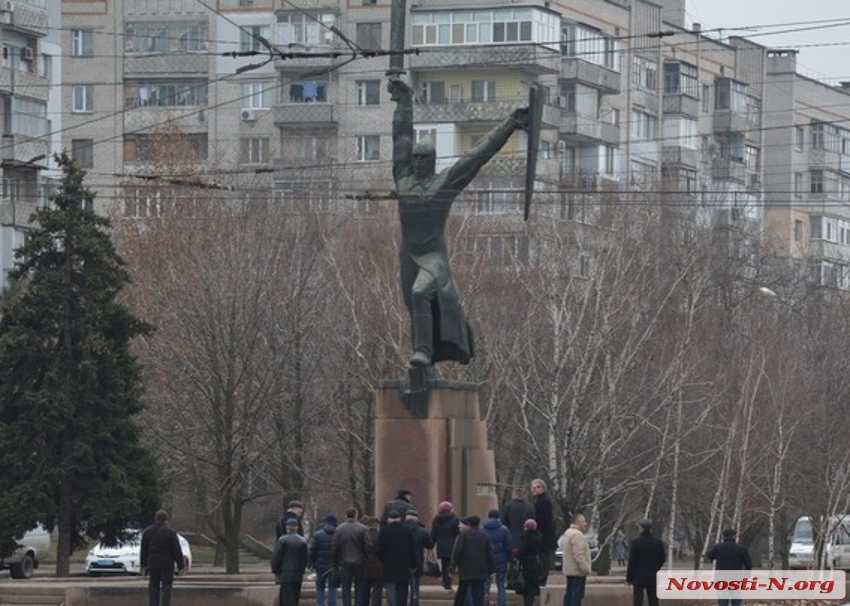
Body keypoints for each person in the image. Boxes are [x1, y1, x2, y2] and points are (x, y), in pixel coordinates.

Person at [387, 76, 529, 367]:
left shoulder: (444, 183)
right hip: (408, 258)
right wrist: (404, 101)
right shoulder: (402, 179)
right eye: (415, 158)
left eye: (424, 158)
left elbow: (477, 156)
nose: (418, 162)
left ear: (433, 159)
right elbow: (401, 137)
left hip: (433, 259)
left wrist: (510, 125)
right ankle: (423, 364)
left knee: (419, 293)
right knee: (415, 309)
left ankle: (423, 354)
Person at [140, 509, 185, 606]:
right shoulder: (171, 533)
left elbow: (143, 550)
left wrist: (143, 565)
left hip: (153, 562)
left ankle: (153, 604)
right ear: (166, 520)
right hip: (167, 563)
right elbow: (176, 550)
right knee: (167, 586)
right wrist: (181, 566)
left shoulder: (147, 532)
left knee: (153, 586)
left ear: (155, 518)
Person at [451, 516, 494, 606]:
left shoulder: (464, 535)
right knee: (478, 593)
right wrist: (491, 569)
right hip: (480, 569)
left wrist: (454, 565)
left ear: (469, 524)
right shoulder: (485, 536)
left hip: (465, 568)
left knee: (462, 591)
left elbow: (458, 551)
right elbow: (490, 554)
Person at [334, 507, 372, 606]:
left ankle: (347, 604)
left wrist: (336, 562)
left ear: (346, 515)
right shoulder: (362, 528)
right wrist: (366, 557)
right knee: (360, 586)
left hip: (344, 562)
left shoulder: (339, 529)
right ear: (356, 515)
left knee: (346, 587)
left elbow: (335, 547)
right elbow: (368, 545)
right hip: (360, 561)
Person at [378, 510, 416, 606]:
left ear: (389, 519)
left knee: (391, 592)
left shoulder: (384, 531)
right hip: (404, 566)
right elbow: (412, 549)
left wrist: (383, 560)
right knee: (403, 592)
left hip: (389, 566)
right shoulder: (407, 530)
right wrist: (413, 564)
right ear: (400, 519)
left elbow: (379, 550)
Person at [706, 528, 752, 606]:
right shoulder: (741, 549)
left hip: (721, 577)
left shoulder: (718, 547)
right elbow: (748, 564)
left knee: (723, 600)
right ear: (734, 536)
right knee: (736, 599)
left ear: (724, 537)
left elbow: (710, 556)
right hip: (736, 577)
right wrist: (747, 576)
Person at [626, 519, 666, 606]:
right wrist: (656, 567)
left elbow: (632, 561)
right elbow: (662, 558)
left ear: (642, 528)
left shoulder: (636, 543)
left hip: (638, 576)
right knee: (653, 600)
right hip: (653, 575)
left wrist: (629, 578)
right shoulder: (658, 543)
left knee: (638, 601)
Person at [272, 518, 309, 606]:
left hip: (285, 573)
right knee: (295, 595)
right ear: (297, 528)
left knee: (286, 597)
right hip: (298, 573)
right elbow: (305, 558)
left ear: (287, 528)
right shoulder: (303, 541)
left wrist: (275, 569)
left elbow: (276, 557)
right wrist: (302, 570)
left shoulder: (282, 540)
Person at [559, 513, 592, 606]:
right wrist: (585, 568)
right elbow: (579, 555)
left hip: (570, 570)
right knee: (576, 596)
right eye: (584, 521)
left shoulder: (568, 532)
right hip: (578, 571)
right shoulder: (577, 535)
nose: (585, 524)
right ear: (577, 522)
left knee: (569, 594)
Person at [482, 509, 512, 606]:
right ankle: (502, 603)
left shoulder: (482, 529)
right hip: (501, 560)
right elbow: (508, 546)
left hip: (486, 561)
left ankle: (484, 603)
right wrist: (508, 558)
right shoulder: (504, 529)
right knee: (501, 584)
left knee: (485, 585)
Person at [405, 509, 434, 606]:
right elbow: (430, 545)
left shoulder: (402, 529)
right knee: (415, 587)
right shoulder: (422, 531)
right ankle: (414, 603)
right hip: (417, 562)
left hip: (403, 563)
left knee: (402, 587)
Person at [530, 479, 557, 586]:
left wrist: (533, 521)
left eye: (537, 487)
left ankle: (541, 580)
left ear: (542, 488)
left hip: (544, 536)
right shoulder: (542, 500)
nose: (534, 490)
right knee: (542, 559)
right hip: (544, 535)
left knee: (543, 560)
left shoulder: (544, 501)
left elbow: (544, 519)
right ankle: (540, 579)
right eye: (532, 487)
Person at [431, 500, 460, 591]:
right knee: (451, 564)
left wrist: (431, 544)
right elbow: (457, 532)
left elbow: (434, 533)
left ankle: (445, 580)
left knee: (444, 564)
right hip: (453, 544)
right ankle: (448, 581)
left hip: (441, 545)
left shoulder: (436, 519)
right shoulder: (455, 519)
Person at [311, 514, 339, 606]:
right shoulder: (338, 534)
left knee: (320, 587)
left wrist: (312, 563)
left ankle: (320, 604)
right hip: (334, 566)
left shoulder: (318, 535)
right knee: (333, 587)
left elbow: (313, 550)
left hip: (320, 565)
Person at [517, 519, 542, 606]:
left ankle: (527, 603)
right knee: (533, 584)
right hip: (535, 562)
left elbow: (521, 551)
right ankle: (531, 601)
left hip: (525, 564)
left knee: (526, 586)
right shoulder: (538, 537)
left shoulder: (523, 538)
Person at [361, 515, 384, 606]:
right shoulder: (381, 536)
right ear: (377, 525)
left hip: (366, 568)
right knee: (377, 592)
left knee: (365, 592)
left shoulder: (363, 536)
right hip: (379, 568)